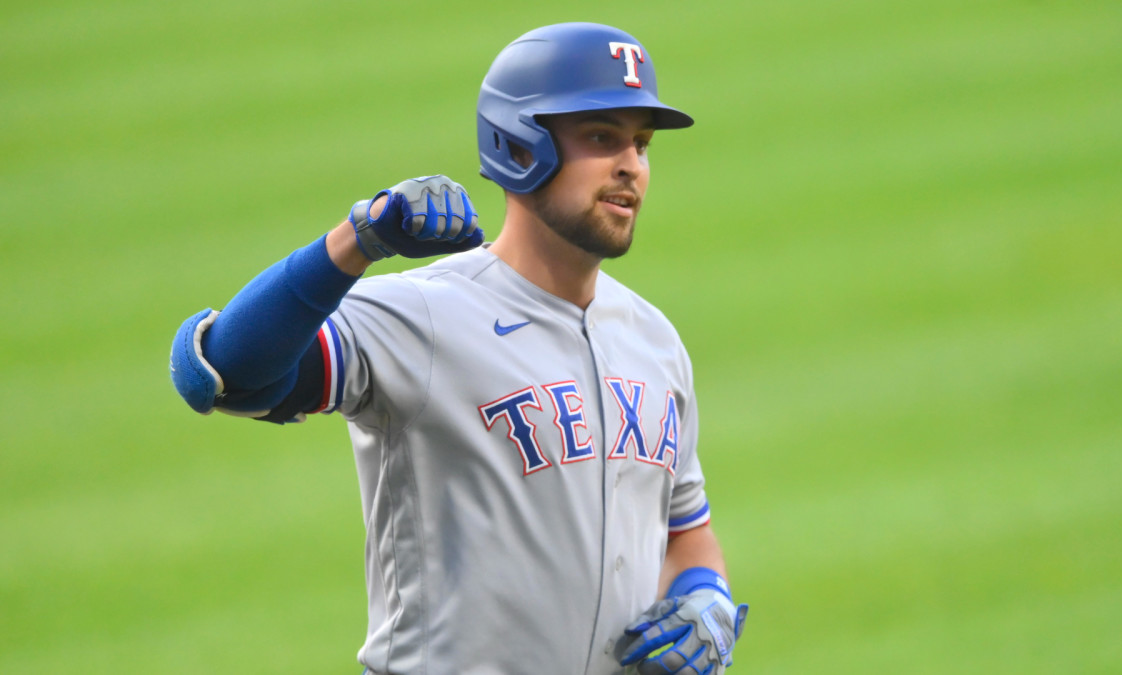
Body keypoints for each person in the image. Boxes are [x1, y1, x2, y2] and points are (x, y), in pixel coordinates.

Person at [169, 22, 748, 675]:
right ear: (521, 145)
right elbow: (222, 371)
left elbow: (685, 530)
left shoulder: (653, 339)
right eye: (600, 137)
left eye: (641, 144)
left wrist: (707, 596)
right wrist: (356, 241)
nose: (631, 165)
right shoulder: (424, 315)